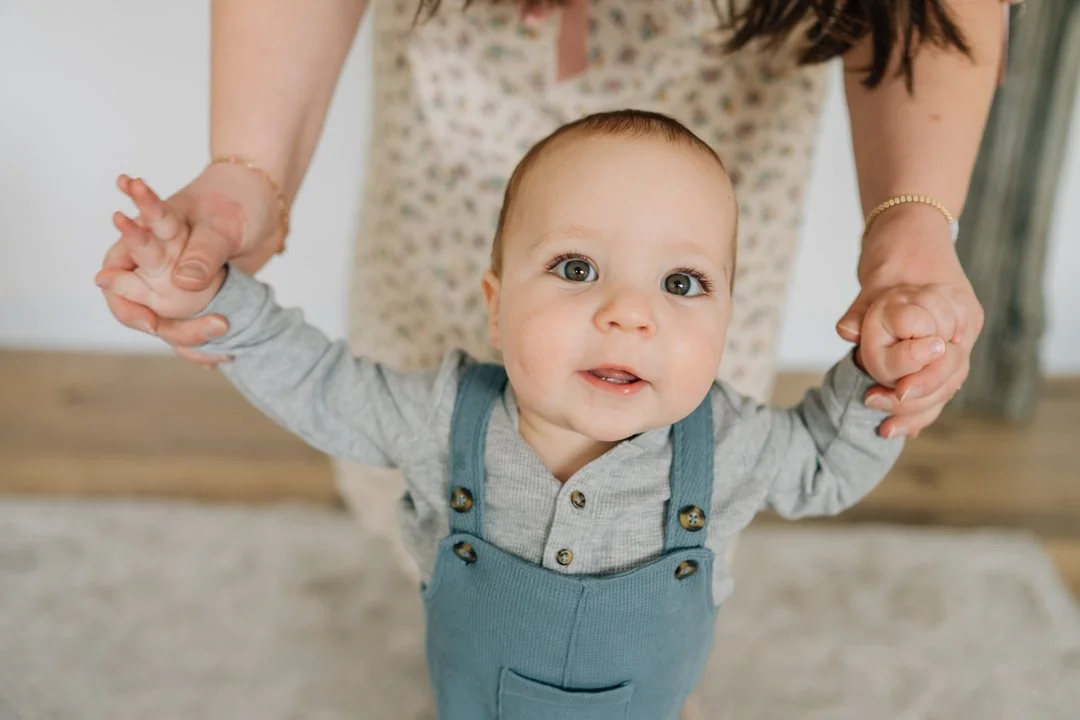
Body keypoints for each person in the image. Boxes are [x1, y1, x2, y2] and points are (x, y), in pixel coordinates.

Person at [96, 110, 955, 719]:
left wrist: (880, 371)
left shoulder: (727, 442)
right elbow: (318, 383)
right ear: (496, 307)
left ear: (728, 323)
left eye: (682, 284)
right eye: (577, 268)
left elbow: (823, 466)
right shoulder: (444, 417)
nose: (629, 311)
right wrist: (219, 299)